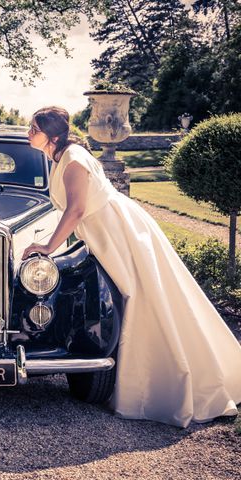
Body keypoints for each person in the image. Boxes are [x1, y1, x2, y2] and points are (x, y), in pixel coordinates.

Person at [21, 106, 241, 427]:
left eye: (34, 128)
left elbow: (77, 210)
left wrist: (47, 247)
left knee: (144, 296)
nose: (29, 132)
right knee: (133, 296)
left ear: (52, 136)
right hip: (104, 232)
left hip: (117, 231)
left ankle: (169, 384)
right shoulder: (61, 157)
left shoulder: (73, 160)